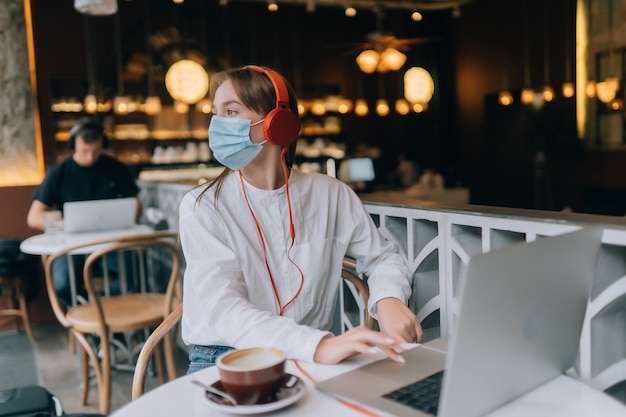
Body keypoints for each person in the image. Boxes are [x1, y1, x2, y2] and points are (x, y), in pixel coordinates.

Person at [178, 65, 422, 374]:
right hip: (224, 357)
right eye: (216, 112)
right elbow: (224, 310)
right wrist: (319, 346)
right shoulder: (201, 206)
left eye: (231, 111)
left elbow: (383, 257)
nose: (217, 125)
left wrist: (388, 298)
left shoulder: (332, 195)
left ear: (277, 124)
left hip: (309, 358)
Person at [26, 120, 141, 305]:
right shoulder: (58, 172)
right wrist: (64, 223)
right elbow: (33, 217)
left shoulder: (117, 168)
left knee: (130, 280)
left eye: (96, 151)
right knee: (62, 285)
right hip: (71, 246)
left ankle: (107, 313)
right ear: (73, 146)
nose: (90, 157)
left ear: (103, 145)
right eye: (84, 151)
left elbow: (137, 207)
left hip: (110, 243)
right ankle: (89, 314)